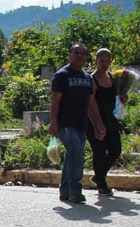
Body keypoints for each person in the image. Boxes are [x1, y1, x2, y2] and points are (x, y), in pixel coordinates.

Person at [49, 44, 106, 203]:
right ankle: (75, 191)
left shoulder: (87, 78)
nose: (79, 56)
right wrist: (53, 122)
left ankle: (64, 190)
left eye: (83, 54)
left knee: (72, 156)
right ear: (70, 55)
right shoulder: (62, 75)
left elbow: (91, 103)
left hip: (82, 124)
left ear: (86, 57)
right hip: (65, 124)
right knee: (78, 155)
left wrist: (98, 124)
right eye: (76, 53)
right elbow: (55, 101)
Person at [87, 48, 127, 196]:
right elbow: (91, 103)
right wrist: (98, 124)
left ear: (111, 61)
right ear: (96, 61)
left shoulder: (112, 78)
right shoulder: (91, 79)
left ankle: (98, 176)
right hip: (95, 119)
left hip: (111, 120)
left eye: (107, 60)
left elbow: (116, 99)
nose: (104, 63)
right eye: (101, 60)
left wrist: (123, 101)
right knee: (99, 151)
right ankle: (102, 185)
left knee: (116, 150)